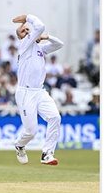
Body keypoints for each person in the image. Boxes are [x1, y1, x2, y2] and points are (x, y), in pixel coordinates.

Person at [10, 14, 65, 166]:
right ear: (22, 35)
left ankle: (47, 154)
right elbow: (39, 26)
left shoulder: (39, 48)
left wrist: (47, 36)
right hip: (25, 93)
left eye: (29, 29)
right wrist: (28, 17)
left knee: (55, 117)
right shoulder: (24, 45)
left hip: (39, 91)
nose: (29, 31)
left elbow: (59, 44)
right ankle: (20, 145)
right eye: (25, 30)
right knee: (31, 132)